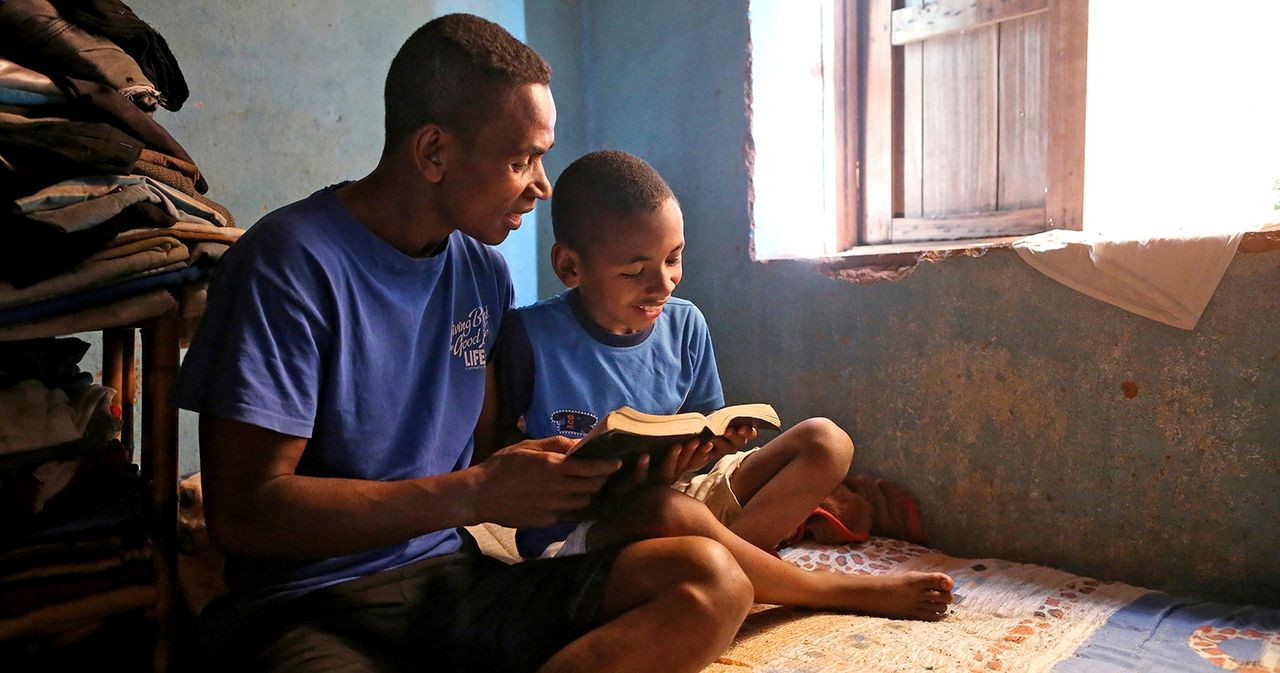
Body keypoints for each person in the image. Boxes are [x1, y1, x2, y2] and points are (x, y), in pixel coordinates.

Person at [174, 14, 757, 673]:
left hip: (449, 580)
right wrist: (475, 492)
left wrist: (584, 471)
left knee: (712, 579)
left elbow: (480, 456)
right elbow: (246, 513)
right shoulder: (288, 264)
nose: (541, 186)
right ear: (432, 154)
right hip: (307, 602)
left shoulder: (482, 273)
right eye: (520, 161)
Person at [490, 149, 955, 621]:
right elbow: (497, 459)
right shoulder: (528, 338)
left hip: (679, 492)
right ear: (570, 267)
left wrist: (715, 445)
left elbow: (703, 428)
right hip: (585, 529)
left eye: (674, 259)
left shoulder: (685, 324)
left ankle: (734, 574)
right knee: (666, 510)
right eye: (634, 272)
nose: (663, 284)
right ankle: (826, 590)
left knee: (826, 442)